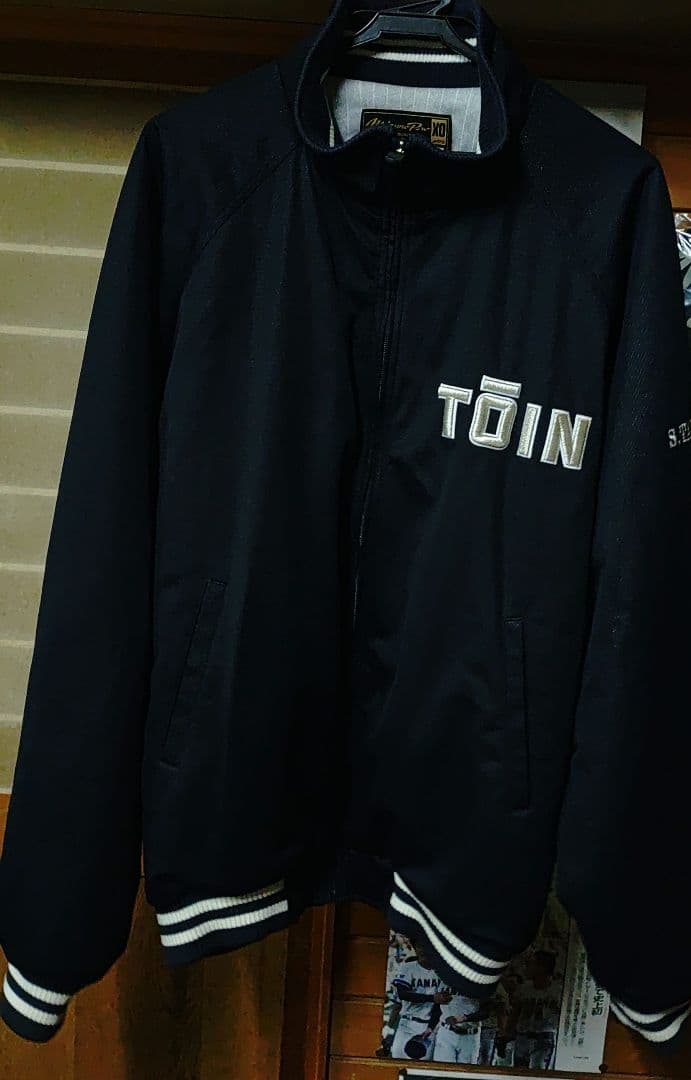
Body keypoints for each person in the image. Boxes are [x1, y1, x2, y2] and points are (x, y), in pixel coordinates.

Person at [390, 937, 451, 1061]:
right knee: (397, 1062)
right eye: (419, 946)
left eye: (426, 946)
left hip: (428, 1026)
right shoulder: (408, 967)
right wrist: (432, 998)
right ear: (415, 948)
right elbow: (403, 994)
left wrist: (431, 1027)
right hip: (407, 1023)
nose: (422, 950)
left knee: (422, 1066)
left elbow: (440, 1005)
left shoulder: (442, 972)